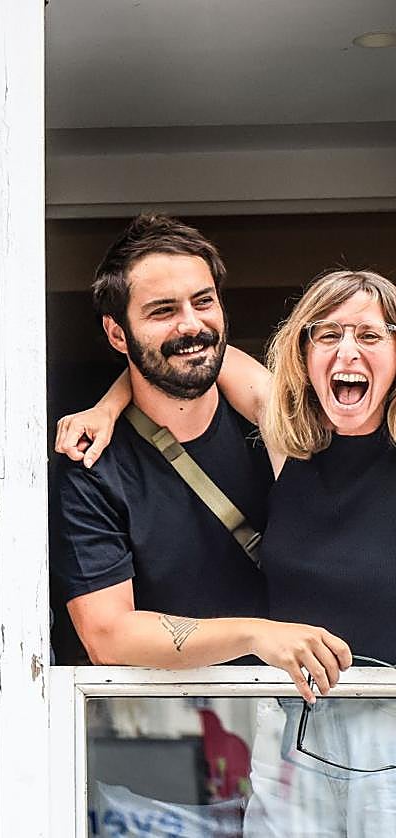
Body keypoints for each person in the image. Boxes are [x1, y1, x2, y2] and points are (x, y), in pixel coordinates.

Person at [50, 214, 350, 701]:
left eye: (203, 301)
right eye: (162, 310)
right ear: (117, 334)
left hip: (312, 719)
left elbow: (213, 355)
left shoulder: (268, 417)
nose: (192, 324)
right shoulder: (92, 464)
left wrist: (111, 400)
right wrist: (256, 634)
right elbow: (107, 636)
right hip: (157, 737)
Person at [212, 269, 396, 836]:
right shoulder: (286, 439)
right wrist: (109, 406)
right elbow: (193, 356)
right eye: (328, 334)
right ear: (303, 351)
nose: (348, 351)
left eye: (369, 335)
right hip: (290, 720)